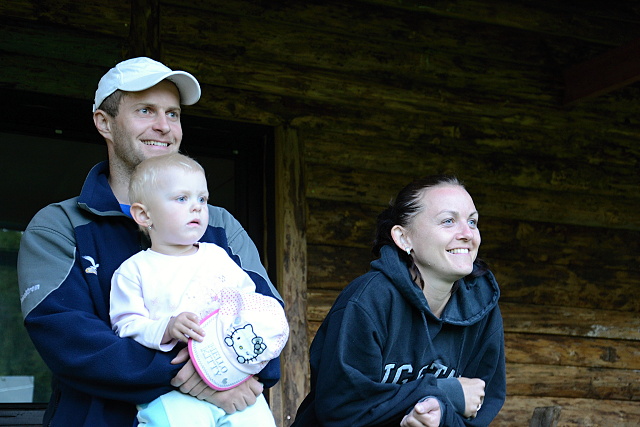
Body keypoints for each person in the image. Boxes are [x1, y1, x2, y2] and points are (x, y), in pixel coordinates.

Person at [17, 57, 283, 426]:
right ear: (104, 122)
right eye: (146, 110)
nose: (164, 126)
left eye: (173, 114)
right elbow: (67, 338)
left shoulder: (219, 224)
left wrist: (226, 370)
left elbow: (266, 315)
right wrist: (202, 376)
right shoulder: (59, 225)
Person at [293, 175, 506, 427]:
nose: (467, 234)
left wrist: (438, 415)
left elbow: (477, 411)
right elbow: (341, 408)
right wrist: (443, 392)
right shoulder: (368, 300)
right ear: (404, 238)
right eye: (448, 221)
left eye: (472, 221)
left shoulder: (481, 305)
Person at [109, 153, 289, 426]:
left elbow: (250, 304)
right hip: (173, 392)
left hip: (233, 377)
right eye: (182, 198)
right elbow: (126, 325)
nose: (196, 207)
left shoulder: (218, 256)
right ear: (144, 215)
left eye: (202, 199)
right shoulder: (134, 270)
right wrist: (167, 328)